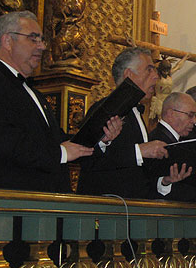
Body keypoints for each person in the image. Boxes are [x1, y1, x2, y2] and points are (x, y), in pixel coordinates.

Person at [0, 10, 107, 192]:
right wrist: (60, 153)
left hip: (43, 204)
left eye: (41, 39)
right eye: (33, 38)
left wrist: (100, 138)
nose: (42, 47)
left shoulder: (35, 94)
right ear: (7, 41)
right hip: (7, 204)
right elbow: (2, 141)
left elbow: (58, 140)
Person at [77, 47, 189, 199]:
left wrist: (164, 181)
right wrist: (140, 151)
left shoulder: (135, 113)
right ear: (129, 75)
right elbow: (88, 158)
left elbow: (136, 175)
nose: (156, 76)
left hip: (133, 209)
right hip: (106, 210)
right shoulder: (106, 109)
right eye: (149, 70)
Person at [148, 92, 196, 205]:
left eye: (195, 116)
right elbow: (157, 188)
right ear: (171, 114)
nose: (194, 121)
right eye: (190, 115)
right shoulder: (157, 142)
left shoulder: (177, 140)